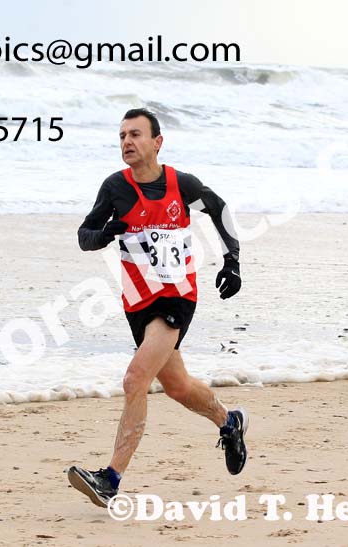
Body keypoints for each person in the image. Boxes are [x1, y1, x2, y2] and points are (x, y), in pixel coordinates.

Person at [67, 108, 248, 508]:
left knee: (135, 379)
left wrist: (232, 260)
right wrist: (105, 234)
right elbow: (84, 236)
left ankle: (110, 479)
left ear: (157, 142)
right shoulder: (116, 187)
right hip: (137, 301)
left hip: (177, 295)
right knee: (178, 386)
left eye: (135, 134)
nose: (126, 142)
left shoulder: (181, 185)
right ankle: (229, 421)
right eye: (121, 136)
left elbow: (219, 209)